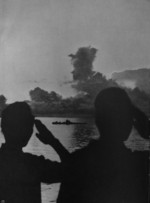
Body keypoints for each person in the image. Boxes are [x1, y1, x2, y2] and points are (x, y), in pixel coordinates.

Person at [57, 87, 149, 203]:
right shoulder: (139, 163)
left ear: (98, 120)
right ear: (131, 121)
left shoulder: (77, 161)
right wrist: (141, 121)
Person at [0, 102, 70, 203]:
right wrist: (53, 142)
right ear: (29, 130)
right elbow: (72, 171)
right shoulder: (33, 165)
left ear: (3, 129)